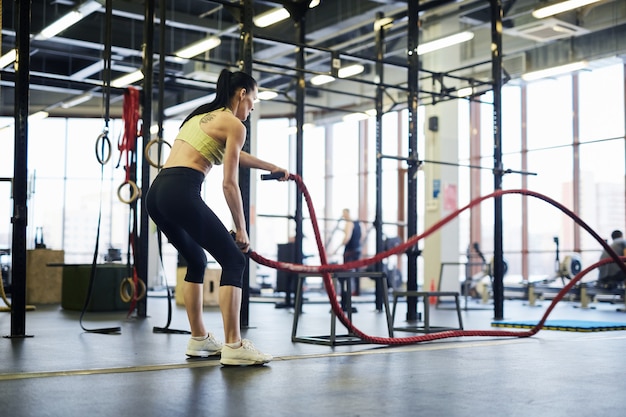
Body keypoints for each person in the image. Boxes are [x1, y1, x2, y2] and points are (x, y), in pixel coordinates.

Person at [146, 69, 289, 366]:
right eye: (253, 100)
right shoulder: (235, 124)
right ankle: (234, 345)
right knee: (235, 260)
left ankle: (198, 338)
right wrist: (241, 229)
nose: (252, 107)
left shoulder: (200, 116)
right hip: (182, 191)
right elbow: (229, 183)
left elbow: (232, 154)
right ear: (242, 93)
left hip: (157, 194)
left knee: (196, 260)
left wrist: (270, 166)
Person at [335, 208, 362, 312]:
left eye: (343, 214)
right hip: (356, 250)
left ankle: (346, 300)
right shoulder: (358, 223)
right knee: (353, 274)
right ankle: (352, 295)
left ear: (346, 213)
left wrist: (336, 248)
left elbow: (347, 237)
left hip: (349, 252)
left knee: (346, 276)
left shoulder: (349, 223)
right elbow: (361, 236)